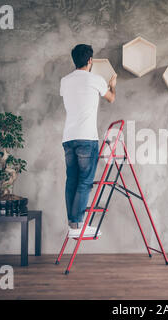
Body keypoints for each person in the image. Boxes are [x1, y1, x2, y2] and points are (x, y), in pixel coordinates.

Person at [60, 44, 117, 237]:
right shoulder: (96, 80)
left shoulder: (65, 81)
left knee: (72, 181)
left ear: (74, 60)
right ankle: (78, 226)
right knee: (84, 182)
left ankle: (72, 225)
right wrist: (113, 84)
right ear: (90, 60)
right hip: (87, 138)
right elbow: (111, 98)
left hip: (68, 138)